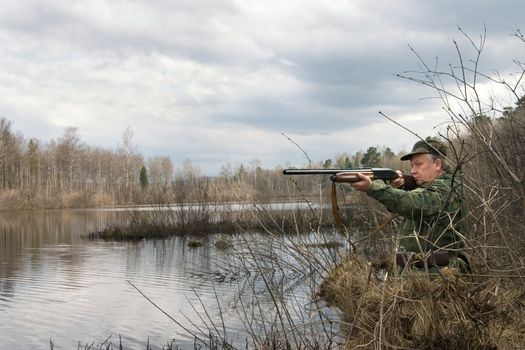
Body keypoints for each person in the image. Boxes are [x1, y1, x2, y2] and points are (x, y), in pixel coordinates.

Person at [351, 136, 466, 272]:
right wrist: (400, 186)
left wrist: (373, 188)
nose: (413, 171)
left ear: (437, 164)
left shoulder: (447, 189)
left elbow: (414, 203)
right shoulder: (428, 188)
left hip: (440, 278)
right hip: (423, 276)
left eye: (419, 164)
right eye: (412, 166)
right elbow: (411, 202)